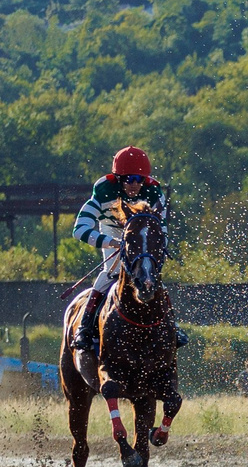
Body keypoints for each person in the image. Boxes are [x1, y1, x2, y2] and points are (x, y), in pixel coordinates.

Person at [72, 145, 184, 375]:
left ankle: (173, 325)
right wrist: (112, 243)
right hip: (112, 231)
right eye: (128, 179)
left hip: (142, 232)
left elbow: (162, 230)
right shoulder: (103, 191)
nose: (134, 184)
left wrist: (154, 252)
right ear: (118, 178)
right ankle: (85, 326)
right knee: (112, 272)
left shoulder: (154, 192)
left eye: (139, 179)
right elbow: (79, 230)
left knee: (150, 274)